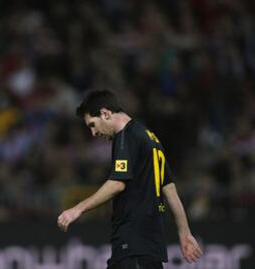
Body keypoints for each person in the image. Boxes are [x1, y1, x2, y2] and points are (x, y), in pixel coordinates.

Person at [57, 90, 202, 269]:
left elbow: (117, 183)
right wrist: (185, 233)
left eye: (92, 125)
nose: (93, 133)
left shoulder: (126, 136)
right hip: (149, 244)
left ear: (105, 113)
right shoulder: (150, 137)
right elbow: (170, 190)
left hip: (133, 243)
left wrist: (78, 209)